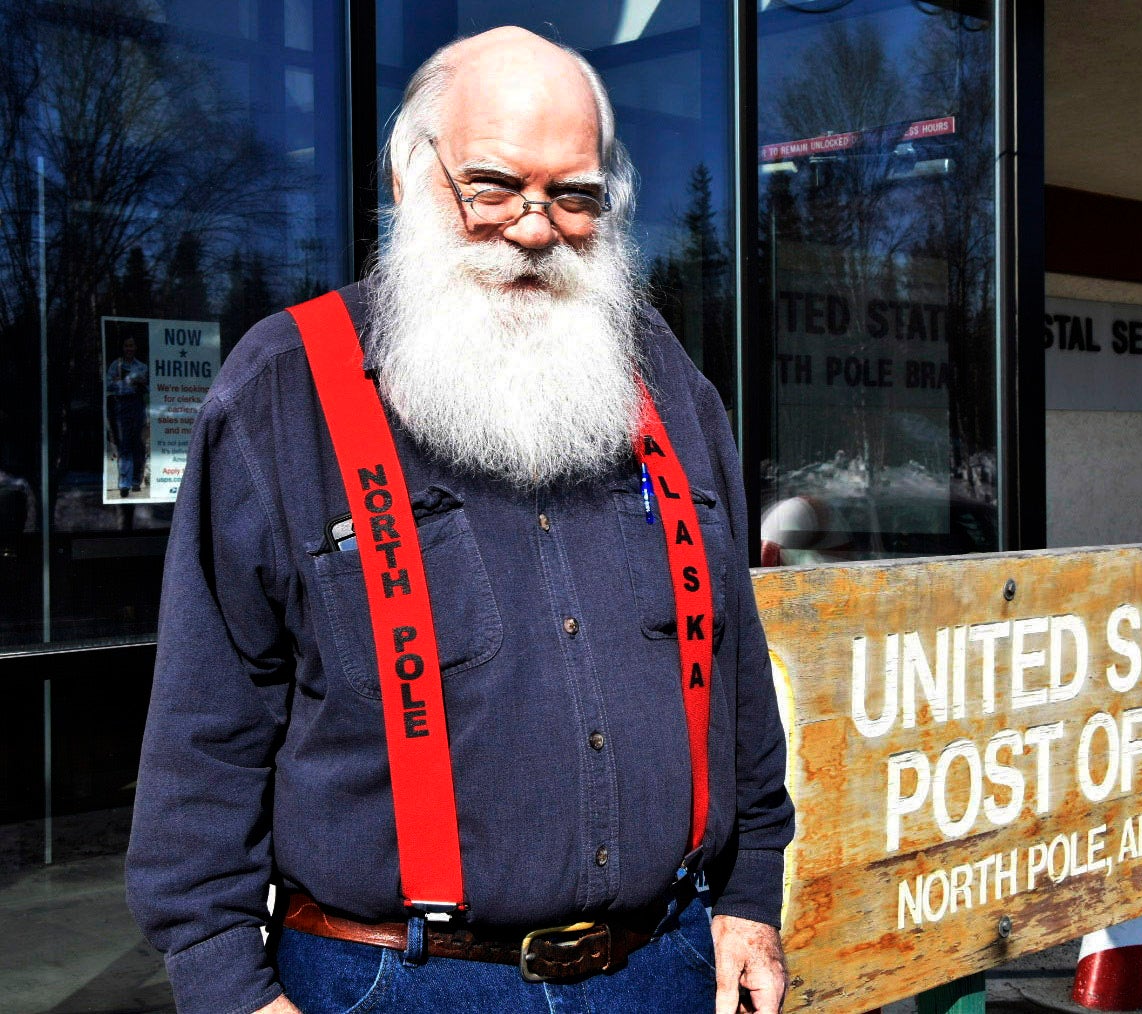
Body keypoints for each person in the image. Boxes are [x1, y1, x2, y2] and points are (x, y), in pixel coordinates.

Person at [127, 26, 794, 1014]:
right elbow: (208, 733)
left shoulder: (668, 388)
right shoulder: (283, 392)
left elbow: (730, 670)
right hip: (391, 982)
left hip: (664, 965)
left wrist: (747, 899)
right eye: (491, 185)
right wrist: (226, 984)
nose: (533, 227)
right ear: (407, 180)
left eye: (572, 196)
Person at [106, 334, 149, 496]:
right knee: (125, 445)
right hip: (121, 405)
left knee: (138, 444)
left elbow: (148, 387)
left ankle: (136, 481)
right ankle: (124, 484)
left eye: (132, 346)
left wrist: (137, 383)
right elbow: (109, 385)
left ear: (135, 348)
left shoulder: (142, 366)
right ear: (122, 348)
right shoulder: (115, 365)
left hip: (138, 404)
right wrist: (125, 383)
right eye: (126, 346)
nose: (129, 349)